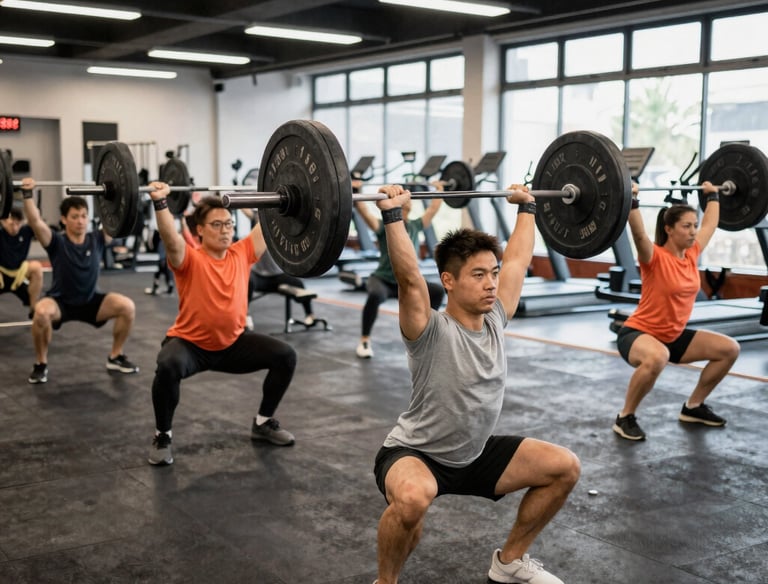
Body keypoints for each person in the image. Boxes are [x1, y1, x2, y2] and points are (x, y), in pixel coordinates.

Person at [372, 184, 580, 584]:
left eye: (492, 274)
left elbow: (518, 261)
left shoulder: (496, 318)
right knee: (414, 500)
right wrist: (394, 216)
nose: (491, 284)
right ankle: (386, 582)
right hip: (416, 452)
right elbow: (410, 280)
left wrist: (528, 207)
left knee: (564, 467)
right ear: (448, 281)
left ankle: (509, 562)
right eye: (479, 275)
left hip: (474, 455)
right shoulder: (430, 328)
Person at [145, 185, 297, 466]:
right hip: (191, 346)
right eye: (217, 224)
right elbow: (170, 238)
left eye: (229, 224)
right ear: (200, 230)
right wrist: (160, 203)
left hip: (233, 344)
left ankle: (263, 422)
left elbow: (268, 223)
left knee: (285, 356)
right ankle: (162, 434)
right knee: (168, 364)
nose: (226, 230)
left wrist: (281, 194)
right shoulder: (189, 259)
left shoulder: (242, 253)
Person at [612, 181, 740, 441]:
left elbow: (710, 225)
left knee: (729, 349)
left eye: (694, 225)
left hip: (673, 336)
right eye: (686, 226)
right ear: (669, 229)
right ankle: (625, 416)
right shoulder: (654, 257)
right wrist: (632, 201)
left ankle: (693, 407)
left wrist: (713, 194)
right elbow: (638, 236)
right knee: (658, 356)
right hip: (637, 334)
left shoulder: (691, 253)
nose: (693, 231)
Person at [20, 178, 139, 384]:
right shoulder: (56, 241)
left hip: (91, 300)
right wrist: (28, 194)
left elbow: (119, 220)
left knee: (127, 307)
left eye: (84, 216)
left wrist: (122, 194)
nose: (81, 221)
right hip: (61, 302)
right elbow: (35, 222)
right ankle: (41, 364)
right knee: (40, 313)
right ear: (64, 219)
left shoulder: (98, 238)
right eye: (75, 217)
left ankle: (115, 356)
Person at [354, 195, 445, 359]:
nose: (406, 200)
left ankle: (425, 334)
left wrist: (439, 190)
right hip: (383, 279)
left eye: (408, 198)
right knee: (375, 295)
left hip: (407, 283)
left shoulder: (416, 226)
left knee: (437, 292)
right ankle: (365, 340)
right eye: (402, 198)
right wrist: (356, 190)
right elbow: (364, 211)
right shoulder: (383, 226)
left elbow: (432, 209)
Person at [241, 208, 316, 329]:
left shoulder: (282, 225)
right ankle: (244, 315)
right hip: (259, 275)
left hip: (277, 276)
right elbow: (245, 209)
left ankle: (310, 315)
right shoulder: (259, 219)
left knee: (298, 283)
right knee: (248, 282)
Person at [0, 207, 44, 318]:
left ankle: (33, 309)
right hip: (1, 274)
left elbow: (35, 219)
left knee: (36, 267)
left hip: (18, 276)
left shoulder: (26, 231)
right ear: (3, 222)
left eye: (17, 224)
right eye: (11, 224)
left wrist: (29, 195)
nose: (15, 228)